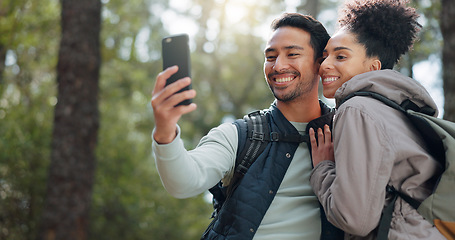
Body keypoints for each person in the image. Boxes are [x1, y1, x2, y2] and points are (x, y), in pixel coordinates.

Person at [151, 13, 343, 239]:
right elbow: (183, 183)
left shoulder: (346, 131)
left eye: (292, 54)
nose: (278, 66)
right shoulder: (241, 135)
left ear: (320, 62)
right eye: (271, 57)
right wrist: (165, 130)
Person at [308, 0, 446, 239]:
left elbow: (354, 219)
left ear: (373, 67)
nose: (324, 65)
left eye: (340, 57)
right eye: (325, 56)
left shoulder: (357, 109)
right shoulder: (399, 111)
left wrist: (322, 168)